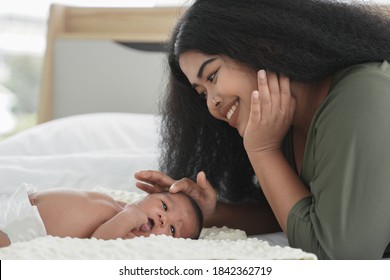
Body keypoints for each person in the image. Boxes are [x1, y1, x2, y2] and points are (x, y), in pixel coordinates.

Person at [134, 0, 390, 259]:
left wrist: (263, 150)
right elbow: (293, 214)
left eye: (211, 76)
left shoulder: (364, 95)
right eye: (202, 94)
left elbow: (340, 255)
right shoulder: (286, 123)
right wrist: (210, 212)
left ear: (261, 48)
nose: (212, 103)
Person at [0, 184, 203, 248]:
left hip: (28, 231)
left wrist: (130, 218)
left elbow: (98, 242)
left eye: (173, 230)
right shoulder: (123, 206)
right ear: (149, 196)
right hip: (20, 203)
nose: (163, 219)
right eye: (165, 206)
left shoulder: (128, 234)